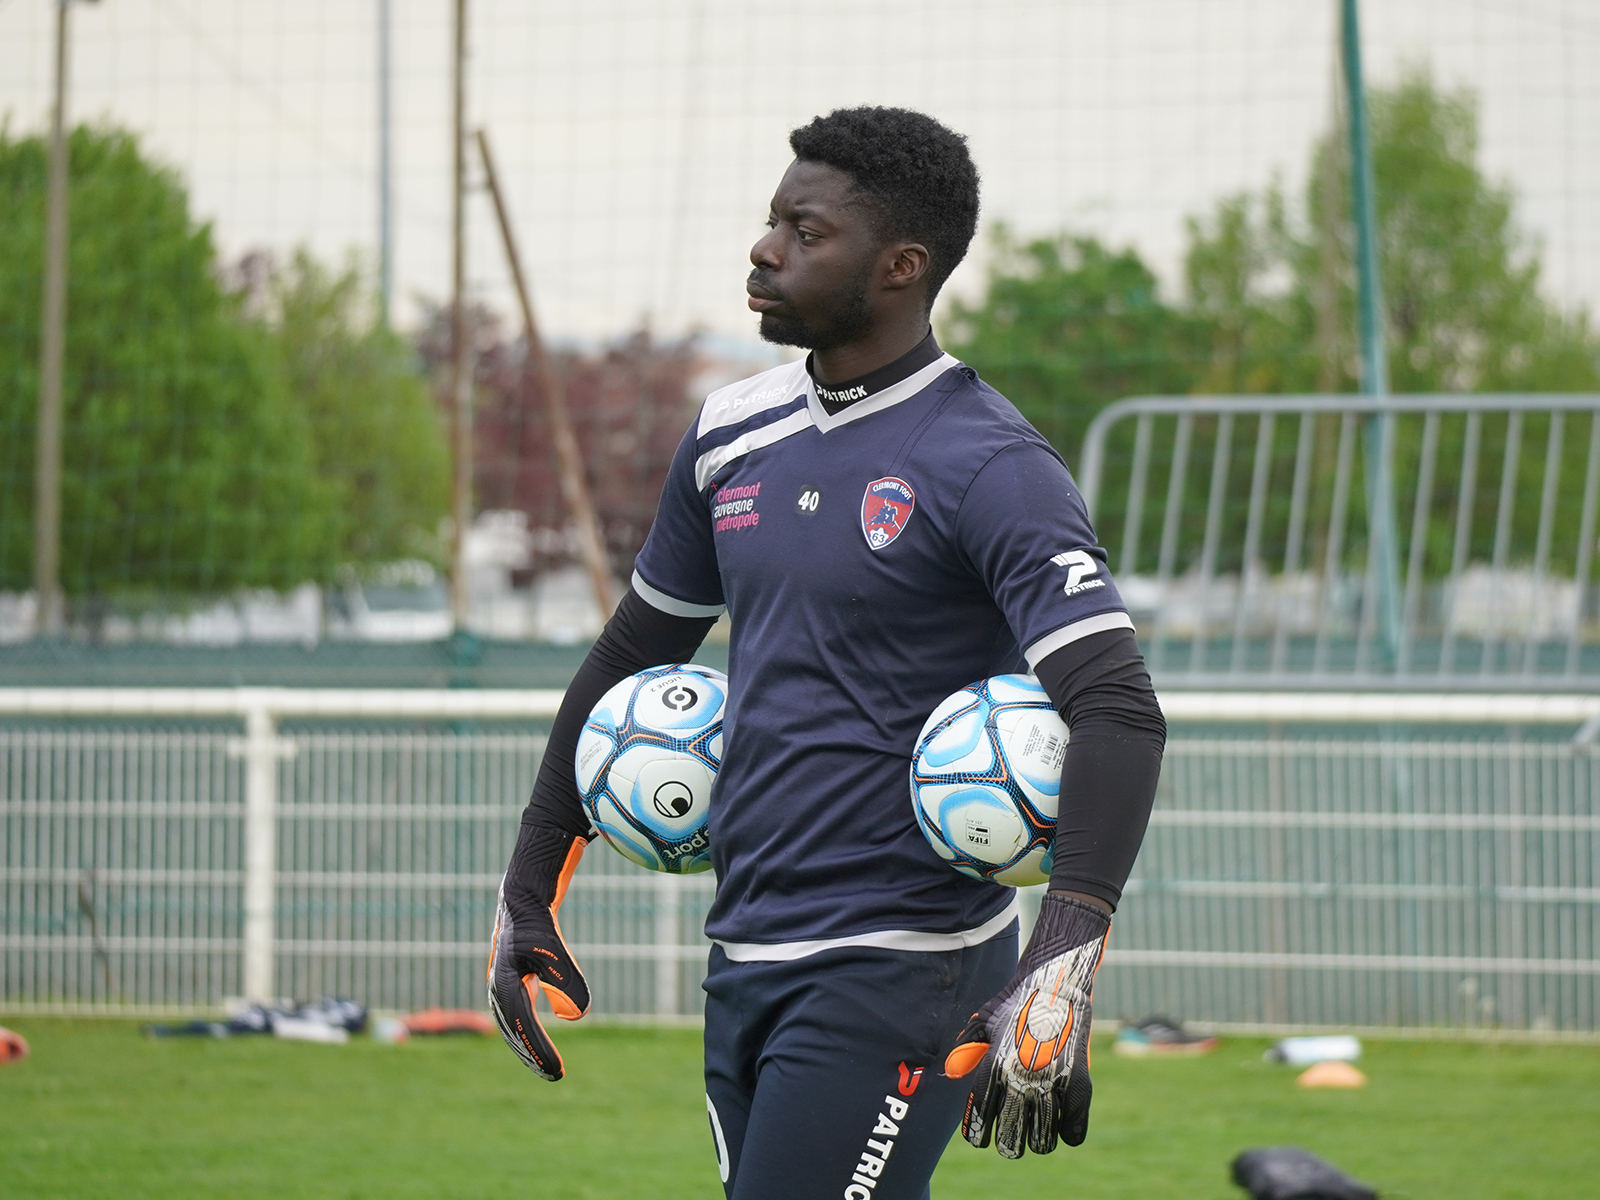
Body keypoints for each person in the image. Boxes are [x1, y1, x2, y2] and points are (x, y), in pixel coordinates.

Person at [487, 106, 1166, 1199]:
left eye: (806, 233)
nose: (765, 249)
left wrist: (1060, 967)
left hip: (906, 963)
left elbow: (1120, 710)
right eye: (771, 222)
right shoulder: (729, 436)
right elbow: (628, 651)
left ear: (900, 267)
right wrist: (530, 886)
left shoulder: (988, 462)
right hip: (745, 950)